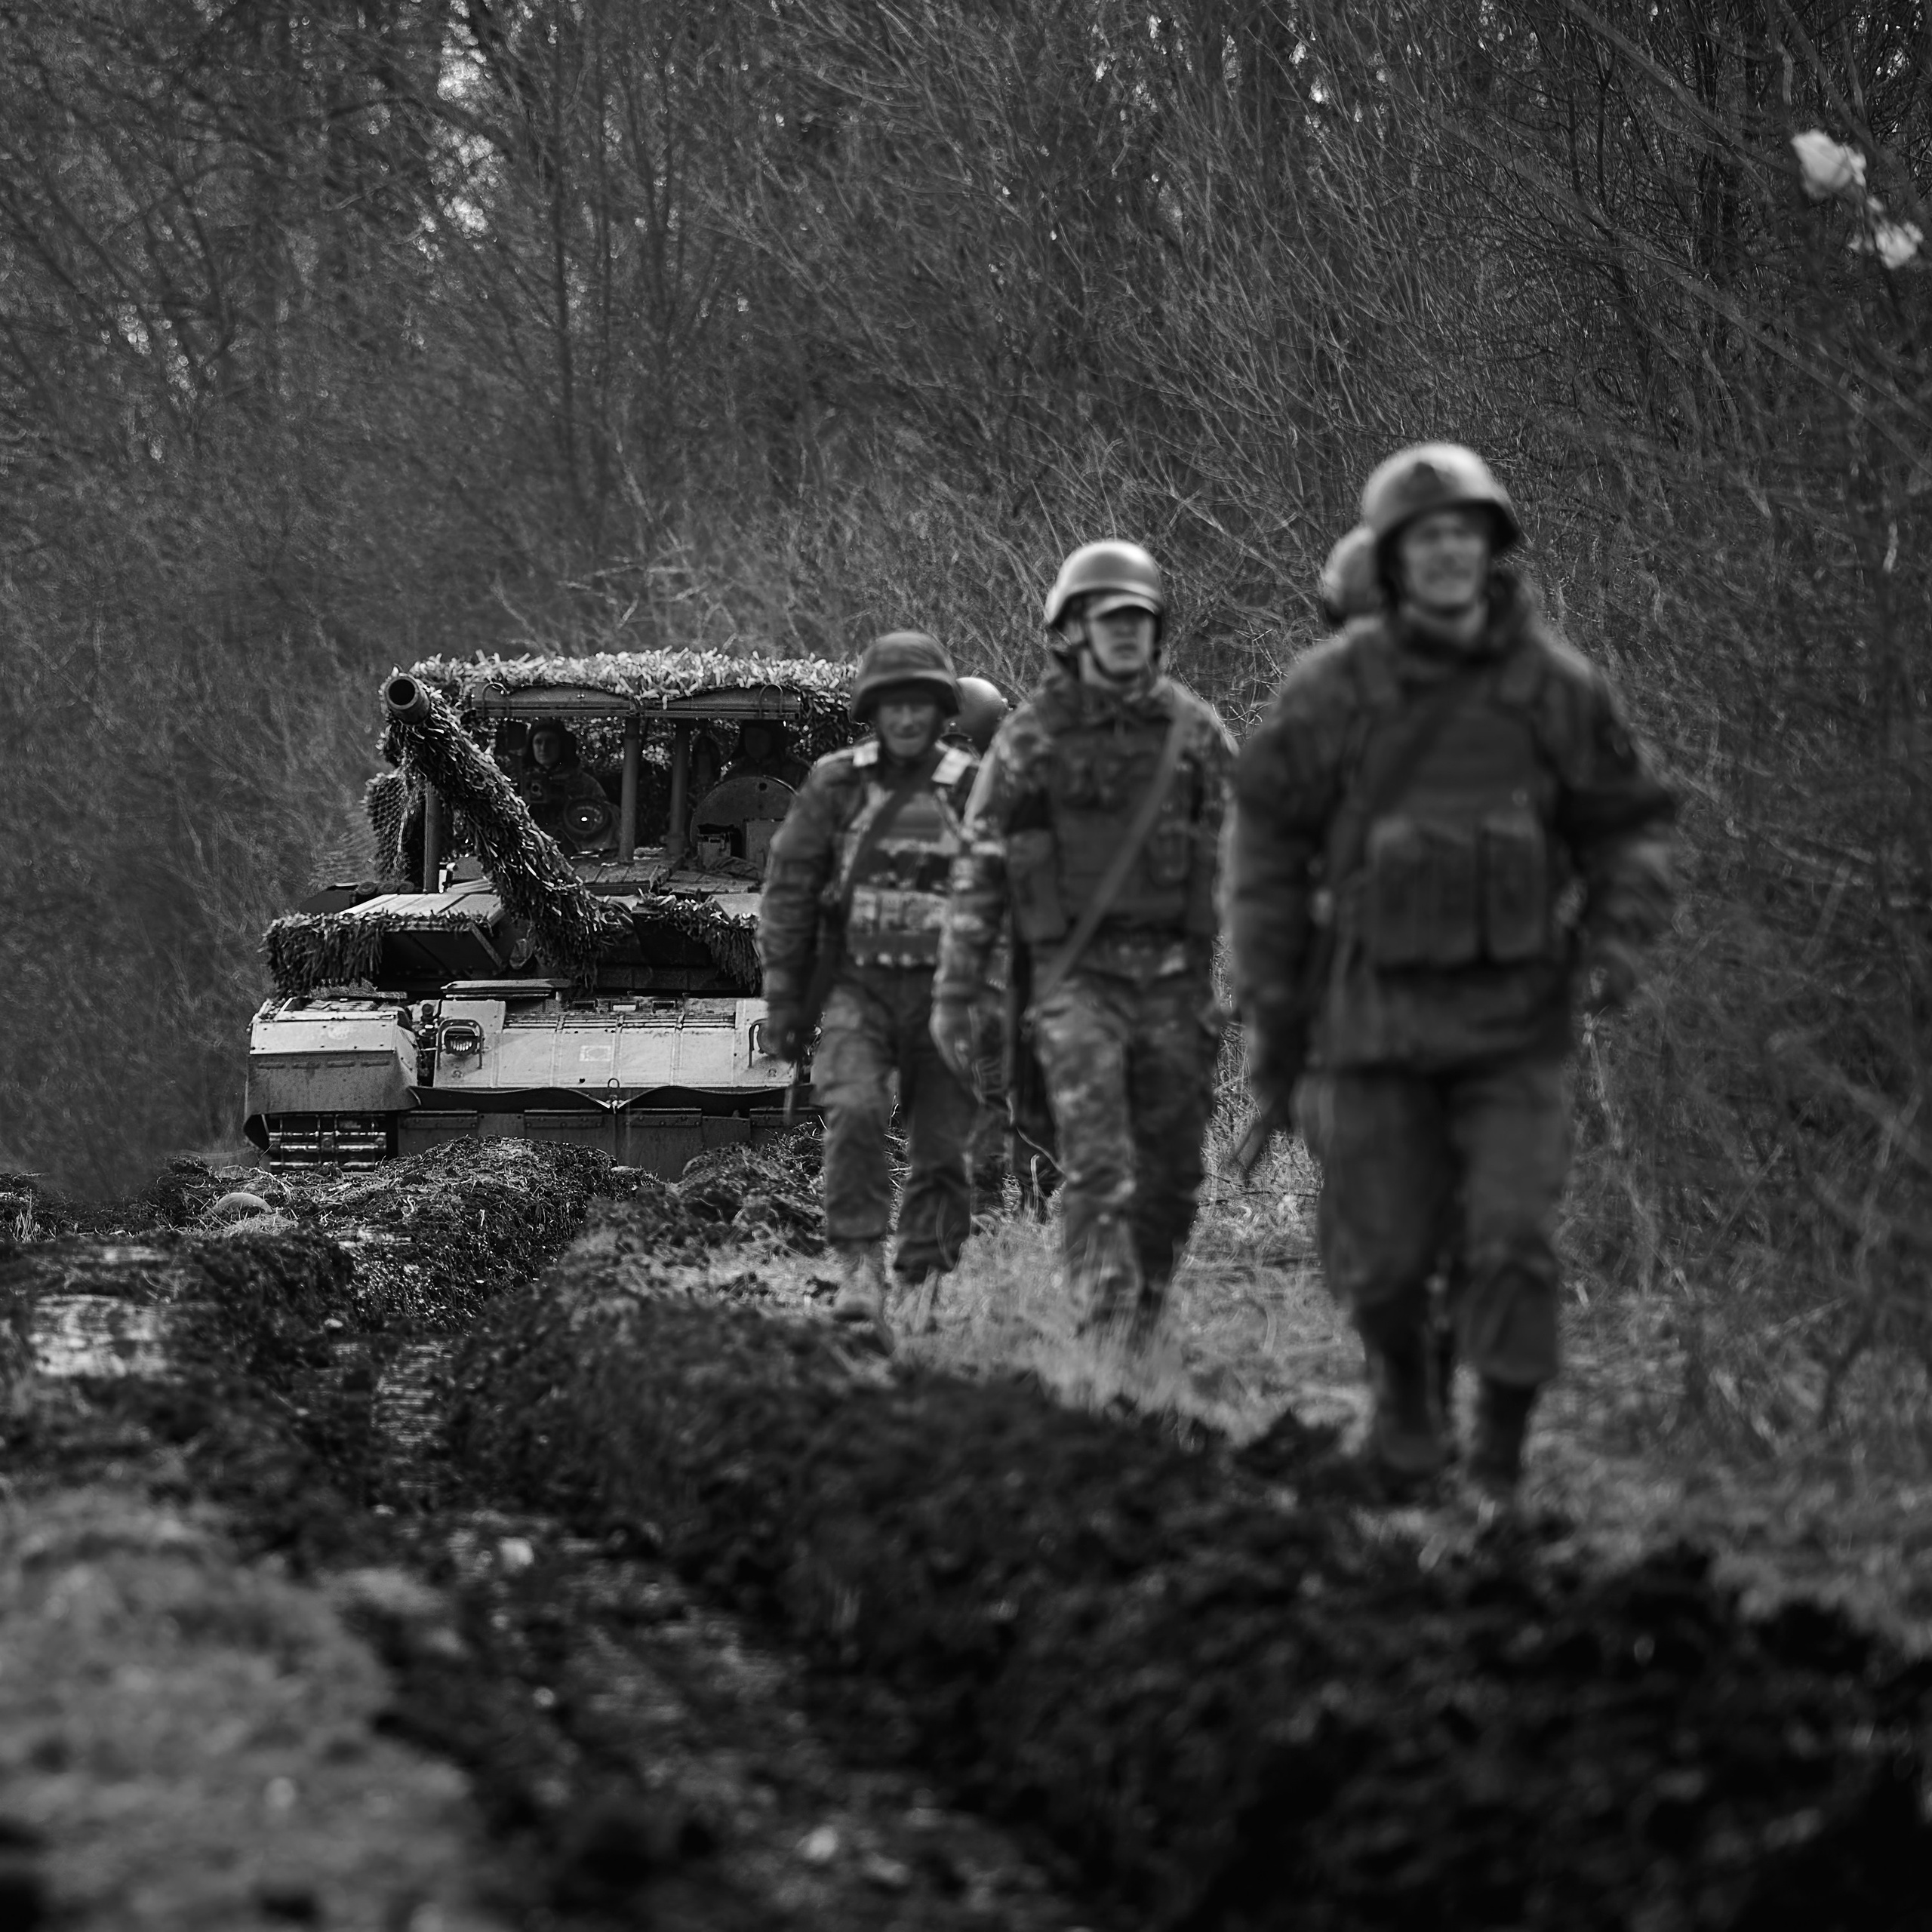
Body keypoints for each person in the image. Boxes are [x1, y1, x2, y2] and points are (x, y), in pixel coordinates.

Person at [1226, 444, 1675, 1500]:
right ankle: (1406, 1408)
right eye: (1425, 538)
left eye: (1463, 535)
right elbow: (1265, 858)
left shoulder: (1554, 687)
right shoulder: (1331, 690)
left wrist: (1617, 938)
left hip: (1514, 1024)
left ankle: (1500, 1460)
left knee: (1510, 1238)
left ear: (1490, 549)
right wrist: (1271, 999)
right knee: (1384, 1259)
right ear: (1391, 559)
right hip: (1372, 1023)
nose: (1446, 555)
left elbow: (1626, 827)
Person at [931, 541, 1234, 1349]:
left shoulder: (1195, 731)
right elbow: (980, 870)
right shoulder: (1032, 738)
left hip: (1174, 982)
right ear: (1072, 632)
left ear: (1157, 629)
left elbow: (1251, 854)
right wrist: (958, 988)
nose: (1125, 632)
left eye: (1138, 618)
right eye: (1107, 619)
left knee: (1172, 1166)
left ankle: (1146, 1304)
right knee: (1096, 1155)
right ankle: (1103, 1321)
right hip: (1074, 983)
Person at [758, 632, 981, 1346]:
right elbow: (789, 895)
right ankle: (859, 1271)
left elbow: (1013, 892)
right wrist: (786, 1001)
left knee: (942, 1145)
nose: (908, 719)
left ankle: (925, 1275)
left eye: (921, 705)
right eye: (894, 705)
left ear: (941, 710)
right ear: (873, 711)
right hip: (859, 988)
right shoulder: (837, 783)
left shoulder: (974, 786)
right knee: (854, 1114)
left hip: (948, 992)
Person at [515, 718, 614, 848]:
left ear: (561, 745)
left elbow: (604, 821)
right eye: (538, 742)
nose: (543, 748)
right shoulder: (520, 784)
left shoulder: (584, 783)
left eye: (551, 742)